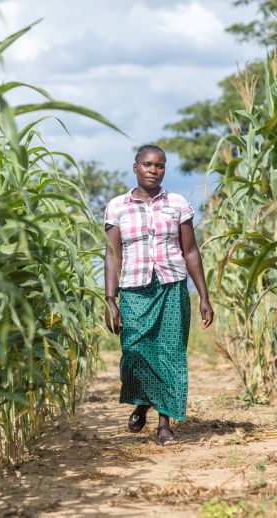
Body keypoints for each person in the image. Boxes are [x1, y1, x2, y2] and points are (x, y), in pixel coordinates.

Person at [103, 144, 214, 446]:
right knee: (134, 353)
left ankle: (165, 424)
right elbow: (113, 255)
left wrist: (204, 296)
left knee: (169, 355)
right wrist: (110, 299)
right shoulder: (117, 206)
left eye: (160, 165)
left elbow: (190, 251)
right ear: (135, 167)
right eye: (147, 164)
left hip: (171, 285)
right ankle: (143, 402)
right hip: (133, 289)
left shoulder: (177, 204)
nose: (153, 170)